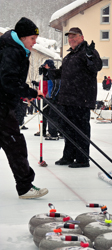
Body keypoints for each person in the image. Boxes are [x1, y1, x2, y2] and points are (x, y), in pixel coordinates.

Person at [0, 17, 48, 199]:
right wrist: (31, 92)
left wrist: (28, 92)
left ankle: (24, 184)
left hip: (4, 103)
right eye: (32, 39)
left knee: (13, 145)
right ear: (23, 37)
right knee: (16, 145)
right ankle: (25, 186)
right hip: (2, 106)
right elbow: (8, 81)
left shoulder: (12, 47)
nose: (34, 43)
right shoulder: (12, 50)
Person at [43, 27, 102, 168]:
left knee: (80, 129)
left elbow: (96, 67)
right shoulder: (69, 56)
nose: (71, 39)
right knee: (67, 129)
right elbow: (61, 74)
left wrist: (90, 57)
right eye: (69, 37)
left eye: (74, 37)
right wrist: (48, 72)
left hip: (82, 98)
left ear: (81, 37)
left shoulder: (88, 52)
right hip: (67, 99)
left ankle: (82, 159)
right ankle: (68, 156)